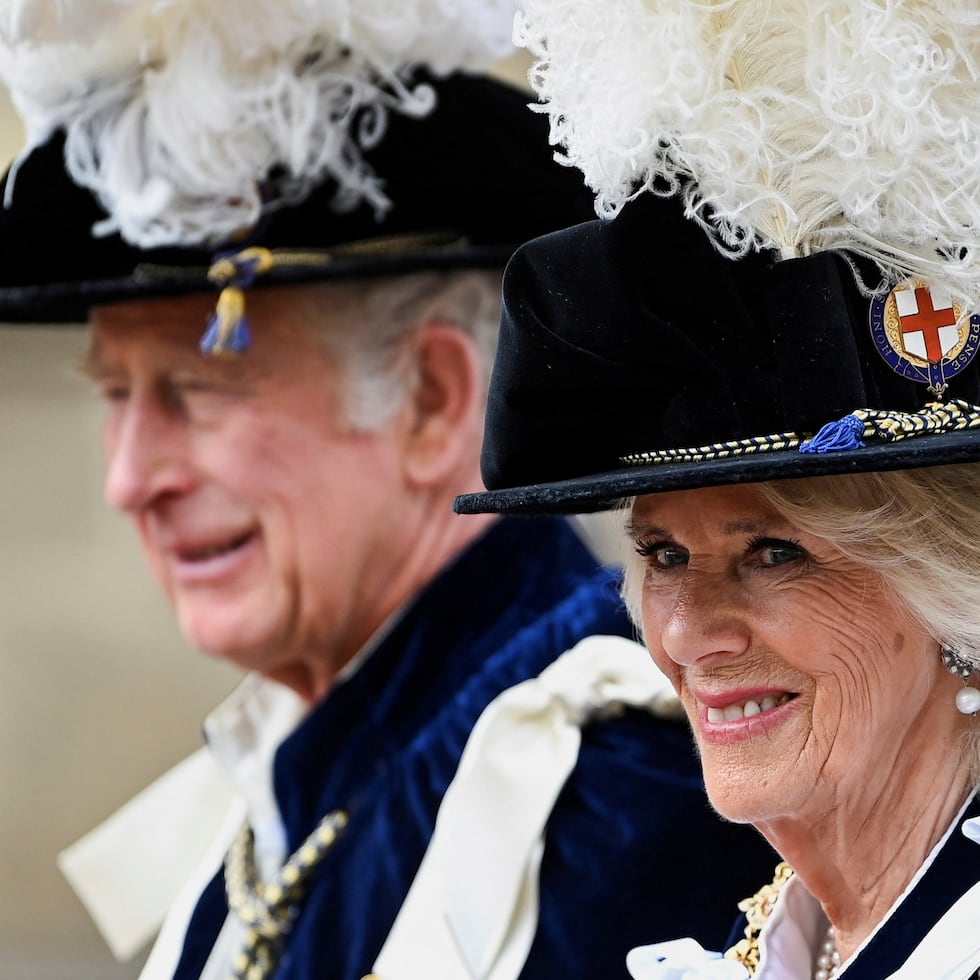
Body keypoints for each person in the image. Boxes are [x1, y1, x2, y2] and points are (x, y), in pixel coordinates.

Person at [0, 5, 778, 980]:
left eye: (197, 390)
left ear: (430, 399)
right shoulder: (306, 768)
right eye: (118, 395)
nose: (129, 480)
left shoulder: (610, 791)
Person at [455, 2, 980, 977]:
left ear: (955, 589)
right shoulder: (797, 938)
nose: (690, 635)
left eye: (772, 551)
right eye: (661, 554)